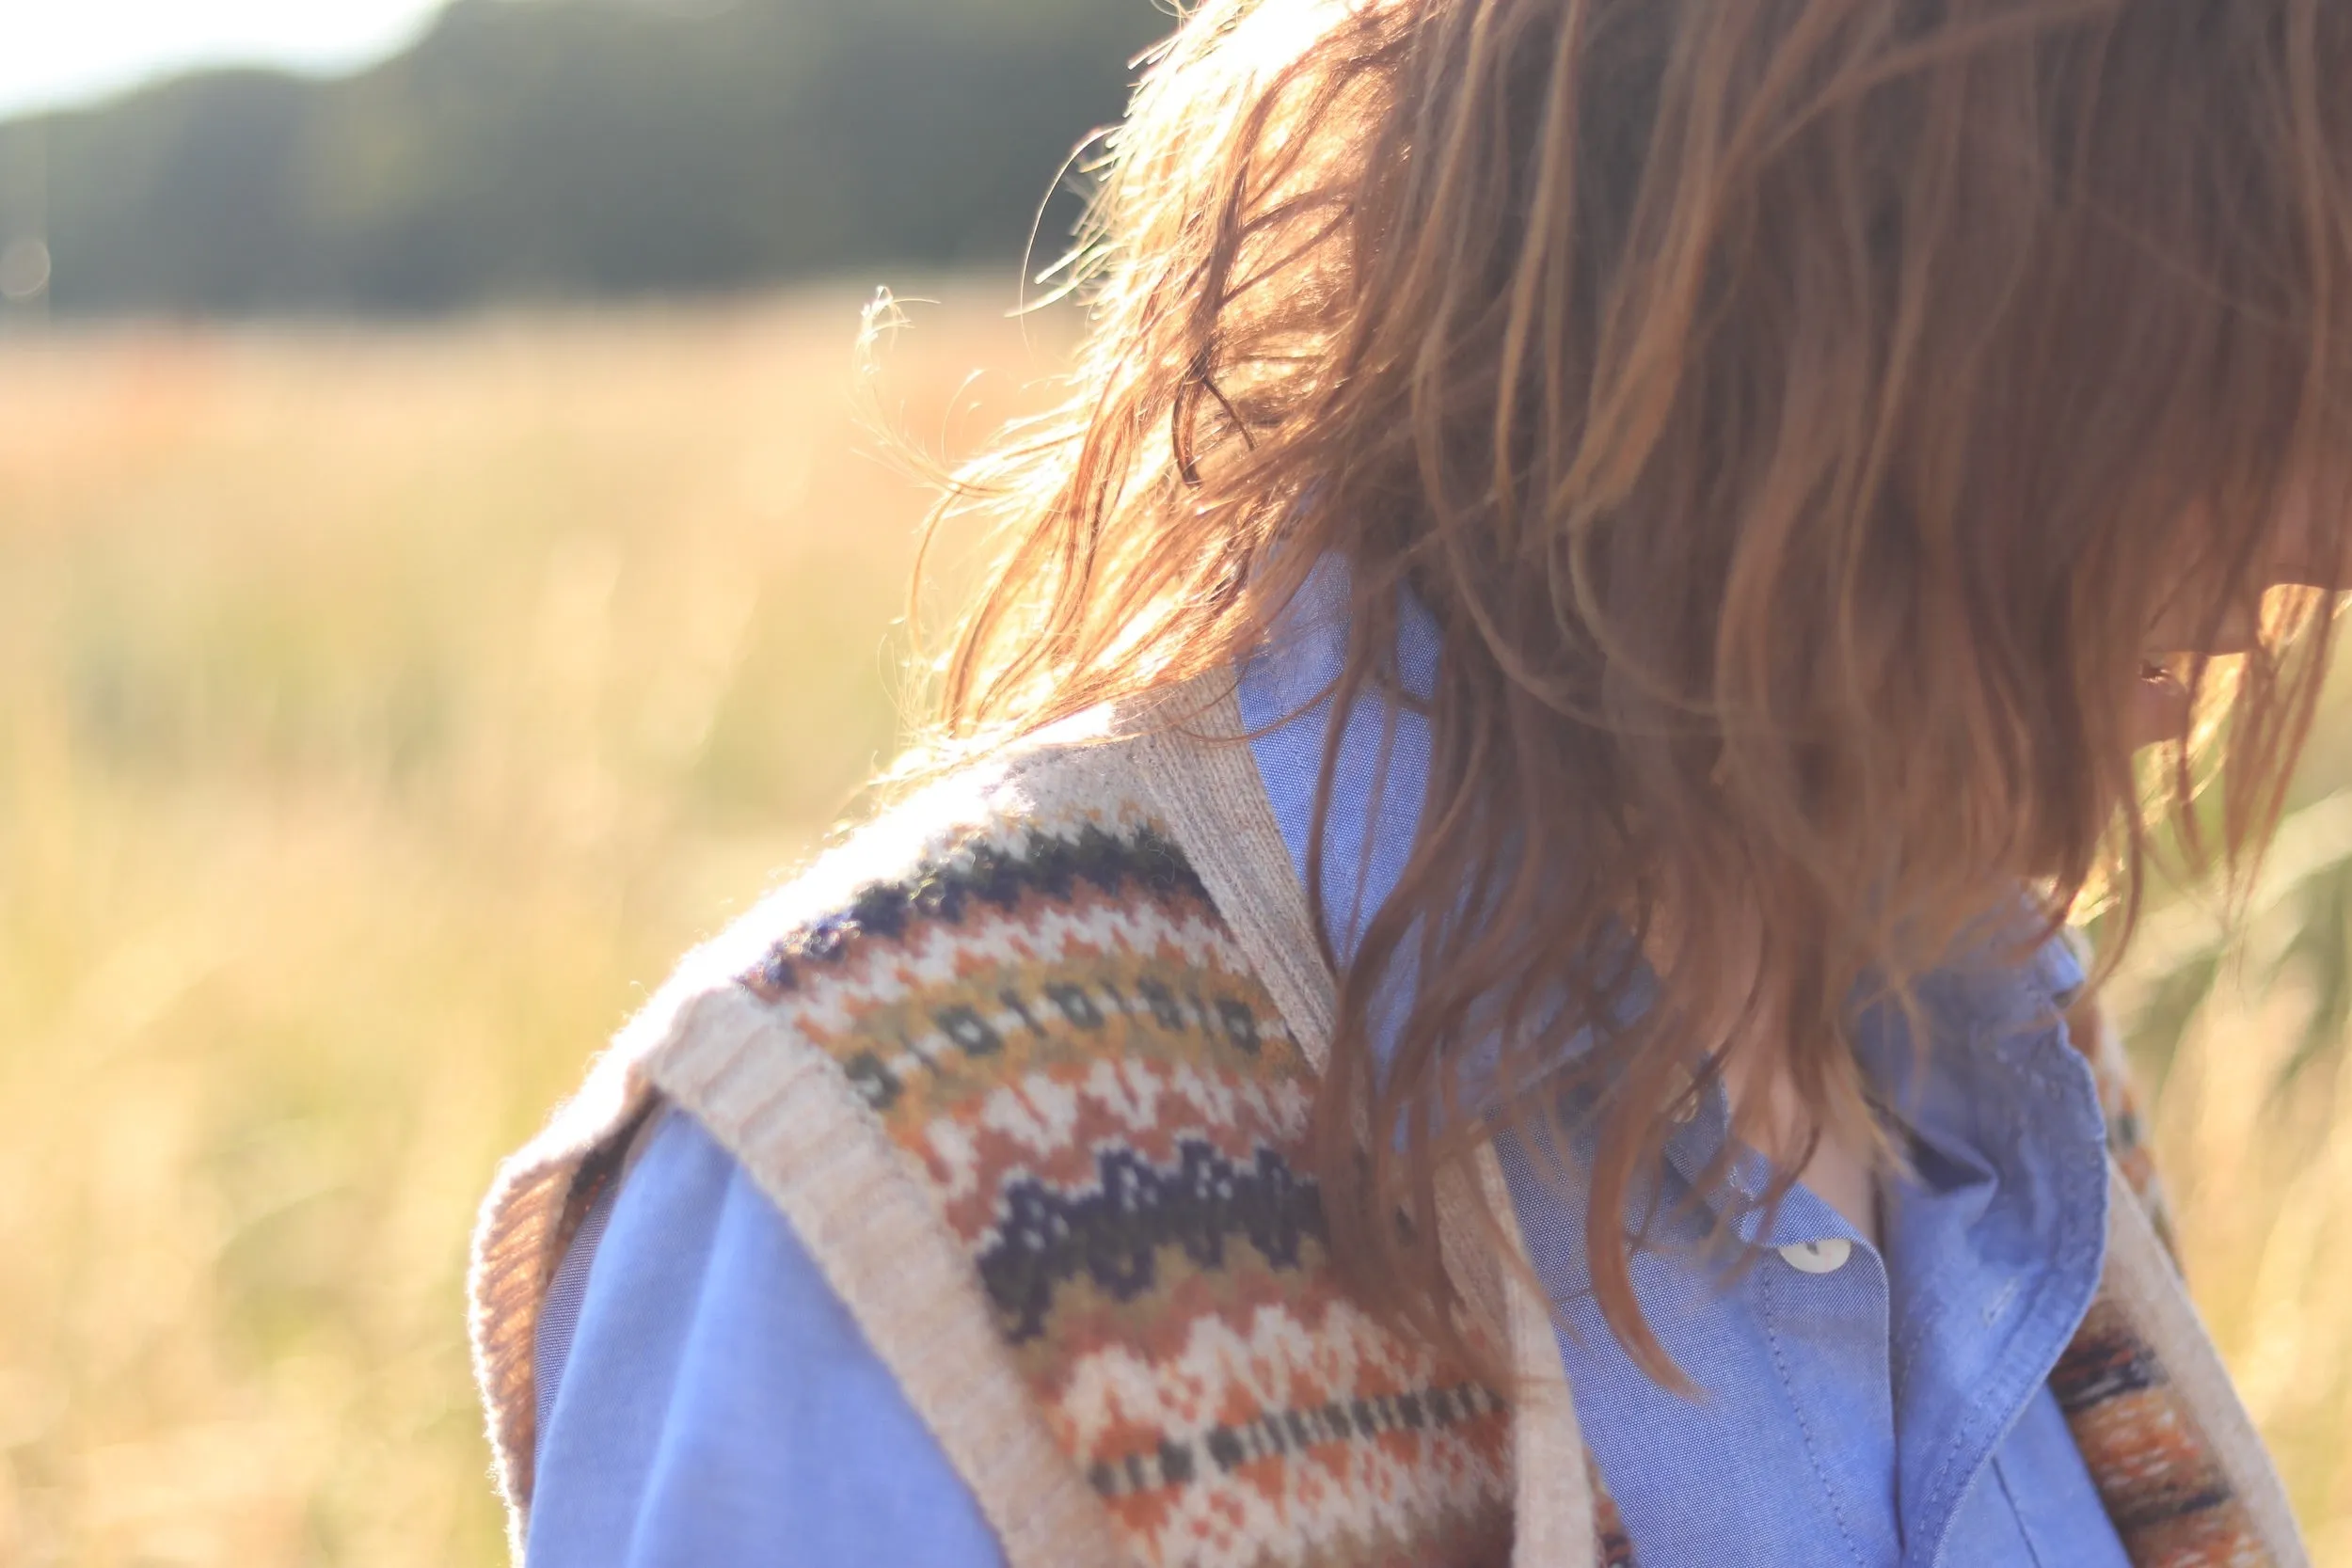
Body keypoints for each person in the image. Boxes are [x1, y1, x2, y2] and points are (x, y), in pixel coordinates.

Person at [471, 1, 2352, 1563]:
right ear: (1858, 240)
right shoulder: (908, 1196)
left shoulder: (1999, 1060)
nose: (2321, 533)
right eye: (2254, 307)